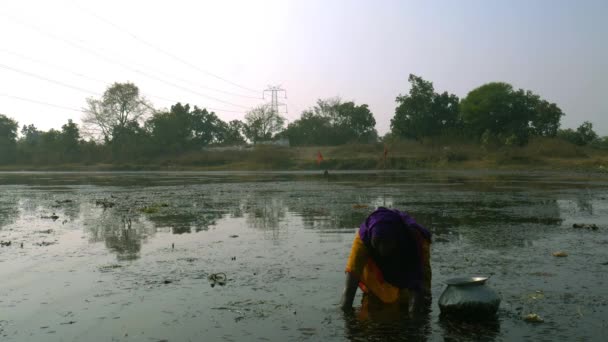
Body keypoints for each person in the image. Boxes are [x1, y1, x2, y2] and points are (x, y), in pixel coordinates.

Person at [340, 207, 432, 312]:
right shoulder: (362, 240)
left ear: (396, 238)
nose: (383, 249)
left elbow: (416, 285)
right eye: (378, 241)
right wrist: (347, 318)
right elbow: (349, 288)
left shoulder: (412, 240)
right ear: (371, 237)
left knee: (423, 296)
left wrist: (414, 322)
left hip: (405, 249)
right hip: (379, 246)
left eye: (388, 242)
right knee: (375, 298)